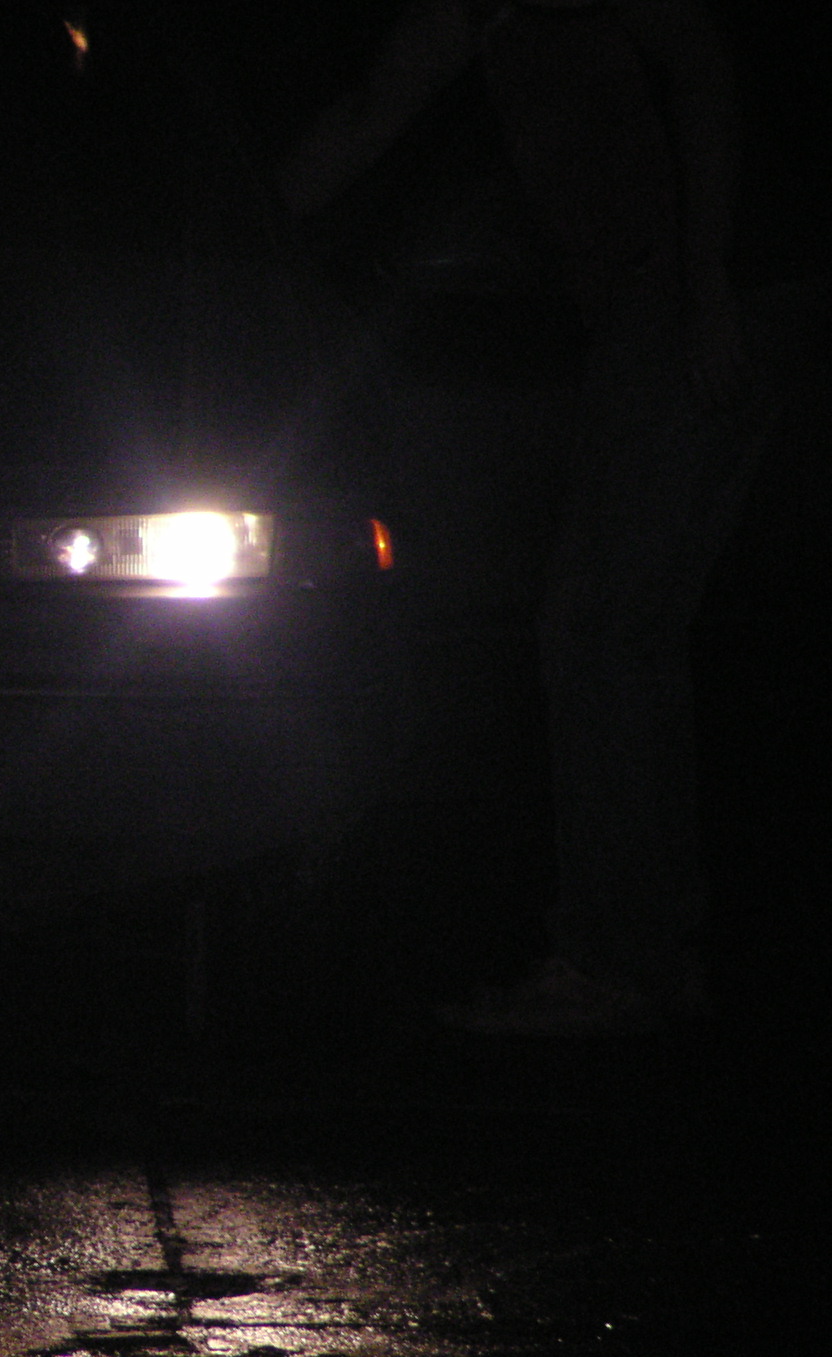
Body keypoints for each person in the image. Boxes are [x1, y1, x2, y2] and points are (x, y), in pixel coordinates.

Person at [279, 0, 751, 1035]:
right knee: (609, 631)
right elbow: (368, 116)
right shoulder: (468, 16)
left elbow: (699, 65)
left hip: (686, 304)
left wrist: (708, 274)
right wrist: (252, 224)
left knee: (603, 628)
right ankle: (643, 951)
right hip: (638, 315)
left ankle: (623, 960)